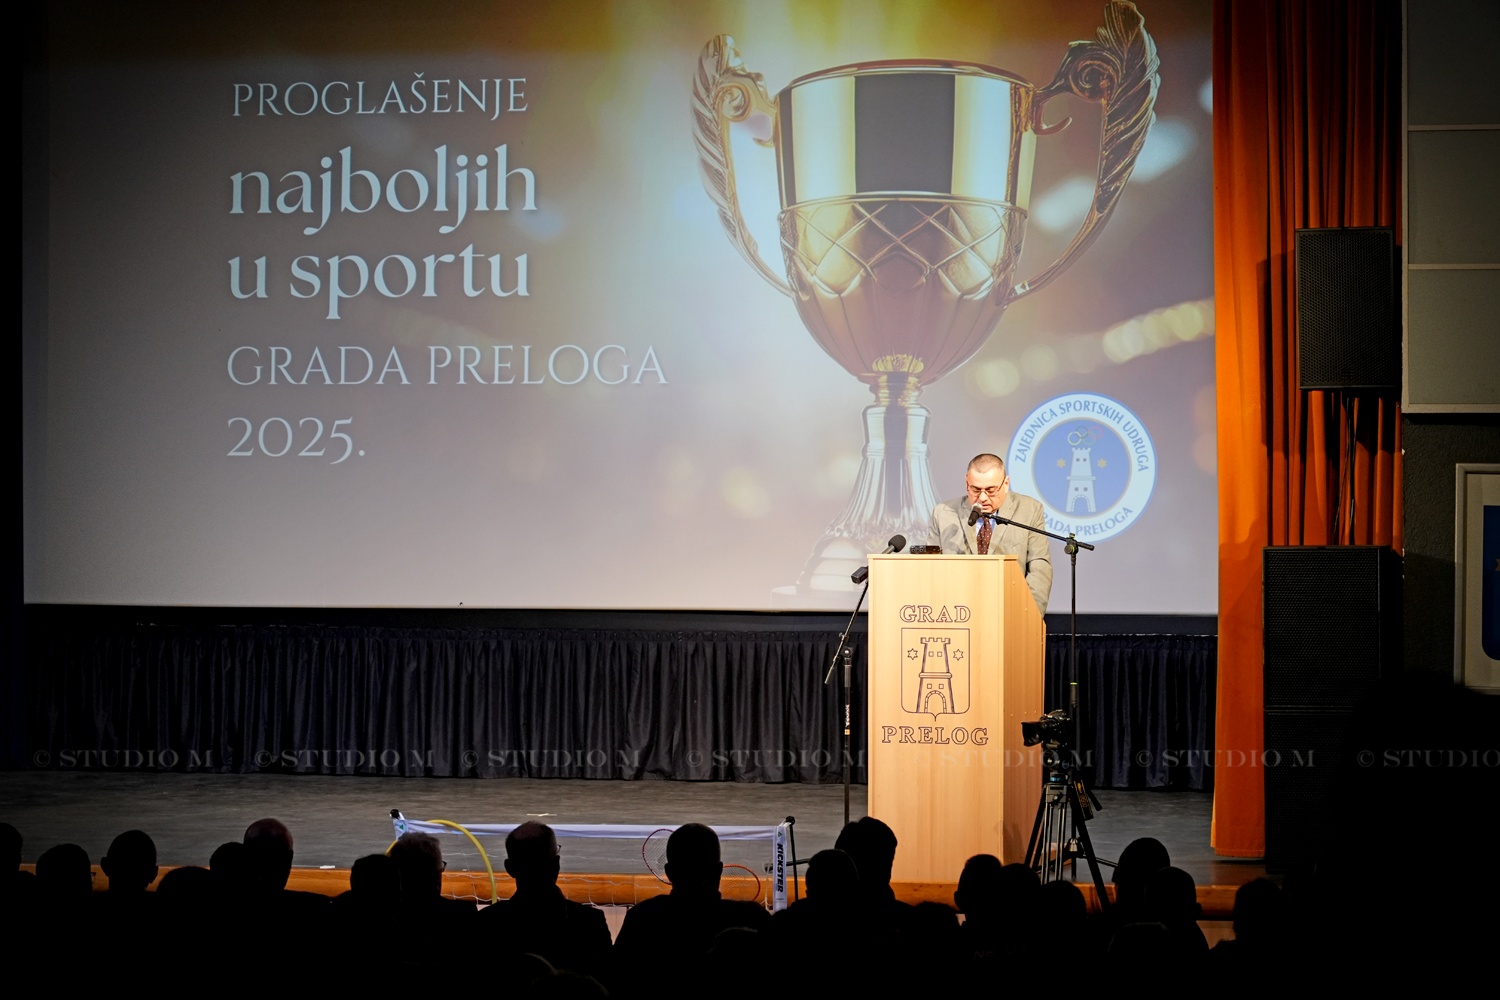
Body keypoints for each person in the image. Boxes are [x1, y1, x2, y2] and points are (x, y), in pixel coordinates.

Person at [929, 453, 1052, 615]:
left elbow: (1039, 567)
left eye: (990, 490)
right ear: (967, 483)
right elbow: (930, 570)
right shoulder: (943, 514)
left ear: (1006, 484)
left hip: (1010, 610)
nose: (982, 498)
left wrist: (1030, 615)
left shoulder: (1029, 510)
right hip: (956, 612)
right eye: (975, 489)